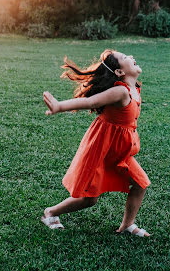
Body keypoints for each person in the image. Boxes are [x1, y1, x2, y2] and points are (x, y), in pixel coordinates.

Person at [41, 49, 151, 237]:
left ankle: (127, 225)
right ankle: (50, 213)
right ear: (119, 72)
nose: (131, 56)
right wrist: (59, 106)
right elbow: (90, 101)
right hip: (101, 150)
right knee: (89, 200)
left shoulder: (134, 88)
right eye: (125, 58)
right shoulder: (120, 92)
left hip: (120, 153)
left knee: (141, 183)